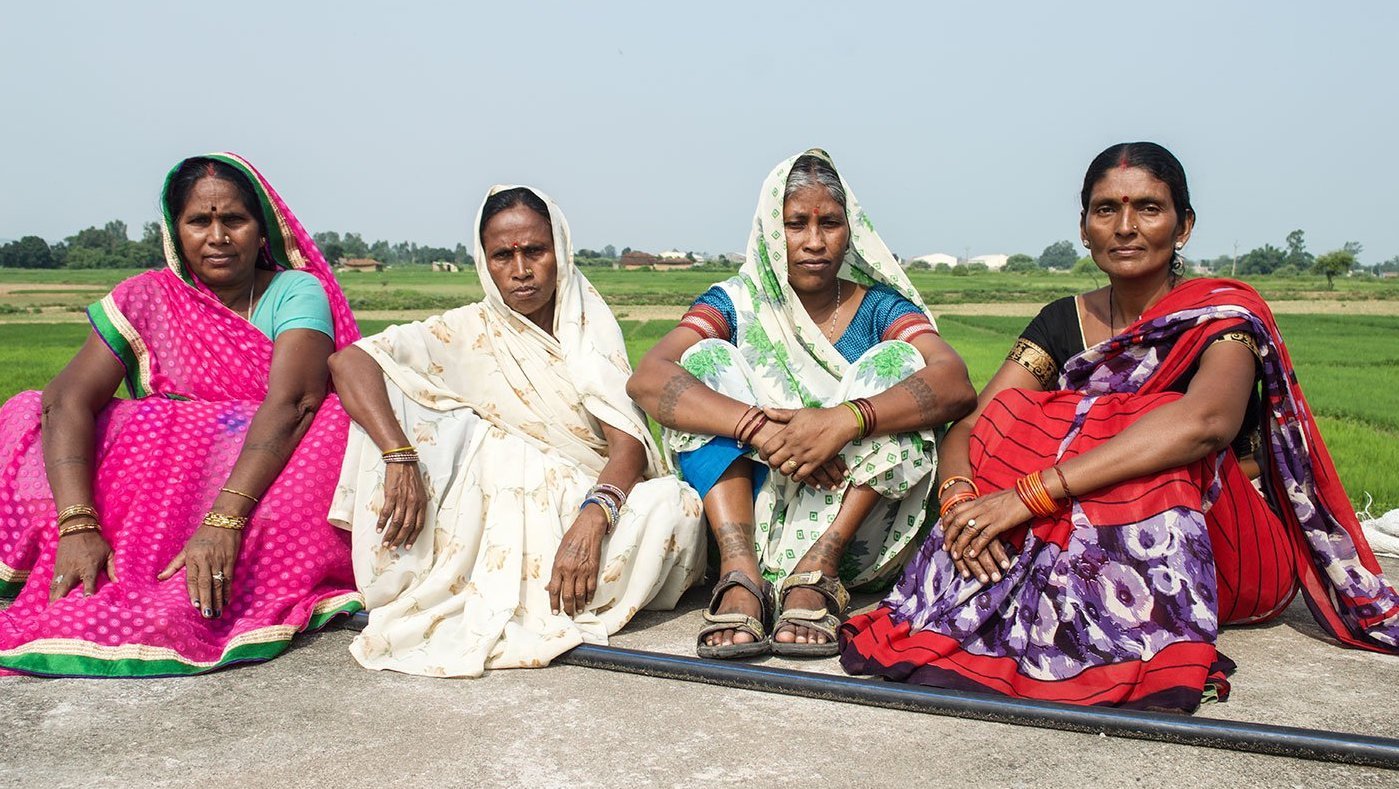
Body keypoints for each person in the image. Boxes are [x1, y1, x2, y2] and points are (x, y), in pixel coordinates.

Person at [840, 142, 1399, 711]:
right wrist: (960, 496)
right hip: (1088, 546)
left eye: (1149, 208)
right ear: (1084, 227)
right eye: (1106, 209)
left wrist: (1032, 494)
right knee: (1024, 418)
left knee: (1136, 426)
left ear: (1184, 227)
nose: (1126, 227)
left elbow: (1205, 423)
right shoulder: (1064, 321)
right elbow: (982, 422)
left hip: (1221, 547)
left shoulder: (1221, 317)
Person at [0, 153, 363, 676]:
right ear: (176, 231)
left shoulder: (295, 290)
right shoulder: (146, 296)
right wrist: (77, 524)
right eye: (199, 221)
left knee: (332, 422)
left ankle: (217, 582)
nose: (218, 236)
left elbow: (295, 402)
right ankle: (94, 558)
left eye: (233, 220)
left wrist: (224, 520)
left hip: (261, 474)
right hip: (160, 487)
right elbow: (68, 398)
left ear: (261, 228)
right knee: (29, 409)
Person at [328, 185, 704, 678]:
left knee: (680, 508)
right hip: (493, 519)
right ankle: (485, 582)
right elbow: (351, 360)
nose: (521, 270)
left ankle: (554, 579)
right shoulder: (466, 330)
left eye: (535, 252)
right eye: (503, 255)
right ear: (485, 263)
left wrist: (592, 519)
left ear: (560, 252)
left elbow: (628, 444)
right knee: (413, 404)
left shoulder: (588, 322)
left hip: (589, 501)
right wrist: (399, 455)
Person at [629, 150, 976, 659]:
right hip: (751, 514)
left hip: (854, 530)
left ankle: (818, 571)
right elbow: (649, 377)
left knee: (901, 363)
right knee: (702, 360)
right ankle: (740, 572)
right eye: (796, 224)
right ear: (772, 227)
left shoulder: (879, 307)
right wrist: (762, 432)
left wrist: (844, 422)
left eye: (829, 223)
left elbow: (954, 382)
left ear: (850, 229)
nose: (814, 242)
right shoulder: (737, 303)